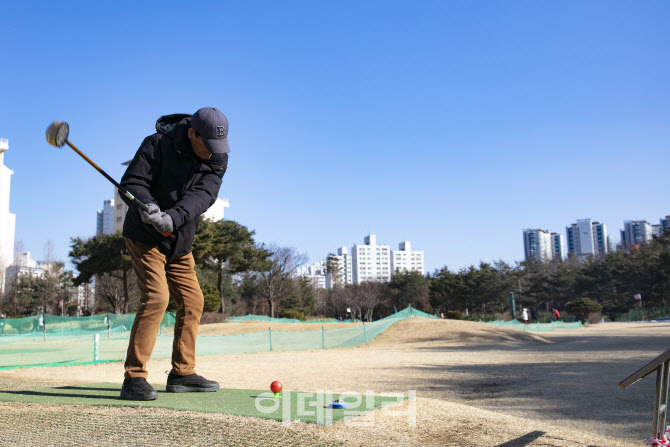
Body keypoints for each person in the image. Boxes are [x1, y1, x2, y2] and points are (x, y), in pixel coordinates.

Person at [118, 107, 230, 401]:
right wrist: (147, 207)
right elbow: (131, 184)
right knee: (156, 298)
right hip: (144, 238)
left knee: (193, 301)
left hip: (179, 240)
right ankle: (134, 377)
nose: (213, 152)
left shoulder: (217, 156)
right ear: (192, 133)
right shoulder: (156, 144)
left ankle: (182, 372)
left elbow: (204, 195)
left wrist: (172, 217)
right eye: (207, 144)